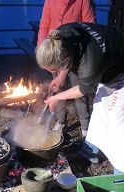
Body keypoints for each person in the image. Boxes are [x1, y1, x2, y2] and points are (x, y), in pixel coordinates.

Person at [36, 22, 124, 174]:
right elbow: (68, 57)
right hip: (108, 63)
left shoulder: (90, 63)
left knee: (117, 121)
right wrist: (60, 76)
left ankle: (121, 171)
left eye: (53, 70)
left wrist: (56, 98)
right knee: (100, 110)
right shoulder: (59, 37)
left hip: (120, 72)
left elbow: (83, 89)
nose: (53, 72)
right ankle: (93, 151)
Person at [37, 0, 96, 137]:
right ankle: (61, 121)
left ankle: (85, 125)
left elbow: (90, 25)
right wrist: (42, 49)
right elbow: (44, 25)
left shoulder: (83, 1)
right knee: (59, 90)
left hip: (77, 53)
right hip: (55, 53)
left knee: (79, 89)